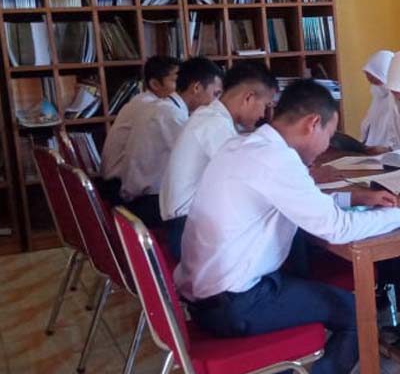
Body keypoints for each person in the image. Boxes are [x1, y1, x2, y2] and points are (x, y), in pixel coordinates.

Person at [175, 79, 400, 374]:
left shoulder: (243, 145)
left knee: (311, 284)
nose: (326, 146)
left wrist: (356, 198)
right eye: (329, 136)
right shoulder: (275, 159)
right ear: (313, 123)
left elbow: (298, 200)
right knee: (359, 313)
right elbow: (336, 228)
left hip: (207, 298)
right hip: (236, 304)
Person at [159, 61, 278, 259]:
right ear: (248, 98)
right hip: (187, 230)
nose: (263, 115)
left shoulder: (211, 116)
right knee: (278, 214)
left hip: (188, 223)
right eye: (265, 106)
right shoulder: (214, 124)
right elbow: (245, 180)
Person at [119, 57, 224, 228]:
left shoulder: (162, 107)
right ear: (196, 87)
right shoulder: (170, 114)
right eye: (215, 94)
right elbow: (202, 160)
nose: (216, 103)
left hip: (141, 200)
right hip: (150, 205)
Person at [100, 56, 179, 196]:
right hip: (118, 187)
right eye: (176, 81)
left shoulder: (145, 101)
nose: (182, 87)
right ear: (155, 84)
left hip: (117, 183)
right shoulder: (154, 107)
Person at [360, 50, 397, 150]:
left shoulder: (399, 101)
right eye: (371, 81)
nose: (374, 86)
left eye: (376, 81)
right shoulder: (377, 99)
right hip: (371, 153)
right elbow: (368, 130)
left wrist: (386, 149)